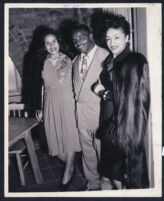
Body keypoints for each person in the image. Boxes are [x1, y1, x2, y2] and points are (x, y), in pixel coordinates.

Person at [95, 14, 152, 189]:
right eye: (108, 38)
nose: (112, 42)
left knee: (125, 171)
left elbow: (128, 101)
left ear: (127, 37)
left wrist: (102, 93)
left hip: (122, 129)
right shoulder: (112, 61)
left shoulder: (133, 62)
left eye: (117, 37)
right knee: (114, 172)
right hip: (109, 125)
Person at [35, 28, 81, 188]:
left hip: (69, 102)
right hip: (50, 104)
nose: (52, 45)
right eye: (48, 43)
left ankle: (68, 172)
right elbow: (37, 87)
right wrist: (38, 107)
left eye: (54, 41)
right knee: (53, 141)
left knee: (70, 137)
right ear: (44, 46)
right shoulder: (41, 62)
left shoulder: (70, 59)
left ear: (59, 42)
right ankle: (71, 164)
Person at [72, 24, 109, 190]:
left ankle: (106, 183)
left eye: (81, 37)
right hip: (81, 115)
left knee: (103, 151)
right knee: (87, 152)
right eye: (75, 40)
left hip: (100, 114)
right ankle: (92, 183)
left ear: (91, 35)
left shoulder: (106, 56)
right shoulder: (75, 61)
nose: (78, 42)